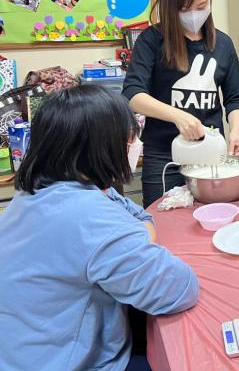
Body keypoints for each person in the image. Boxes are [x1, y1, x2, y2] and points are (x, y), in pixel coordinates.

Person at [0, 84, 199, 370]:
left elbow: (134, 214)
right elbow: (179, 289)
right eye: (129, 138)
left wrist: (137, 232)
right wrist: (140, 235)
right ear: (102, 147)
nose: (133, 145)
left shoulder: (36, 192)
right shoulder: (88, 217)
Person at [123, 0, 239, 207]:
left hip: (211, 155)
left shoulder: (223, 44)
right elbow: (133, 94)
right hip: (164, 157)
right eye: (184, 9)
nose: (194, 15)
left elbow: (235, 99)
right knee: (162, 219)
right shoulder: (151, 41)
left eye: (201, 6)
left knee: (212, 216)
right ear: (170, 8)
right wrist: (178, 116)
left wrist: (235, 131)